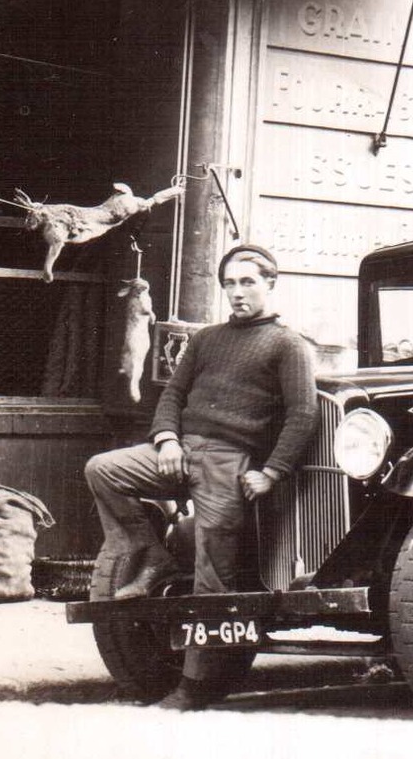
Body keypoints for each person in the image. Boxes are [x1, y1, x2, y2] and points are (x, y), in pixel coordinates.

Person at [84, 244, 317, 711]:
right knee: (103, 469)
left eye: (247, 282)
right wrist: (167, 439)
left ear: (271, 283)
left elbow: (303, 414)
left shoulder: (289, 344)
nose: (236, 292)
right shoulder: (207, 339)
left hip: (229, 463)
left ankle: (193, 689)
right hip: (179, 451)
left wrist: (272, 473)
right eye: (229, 283)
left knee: (212, 575)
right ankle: (150, 557)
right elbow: (172, 394)